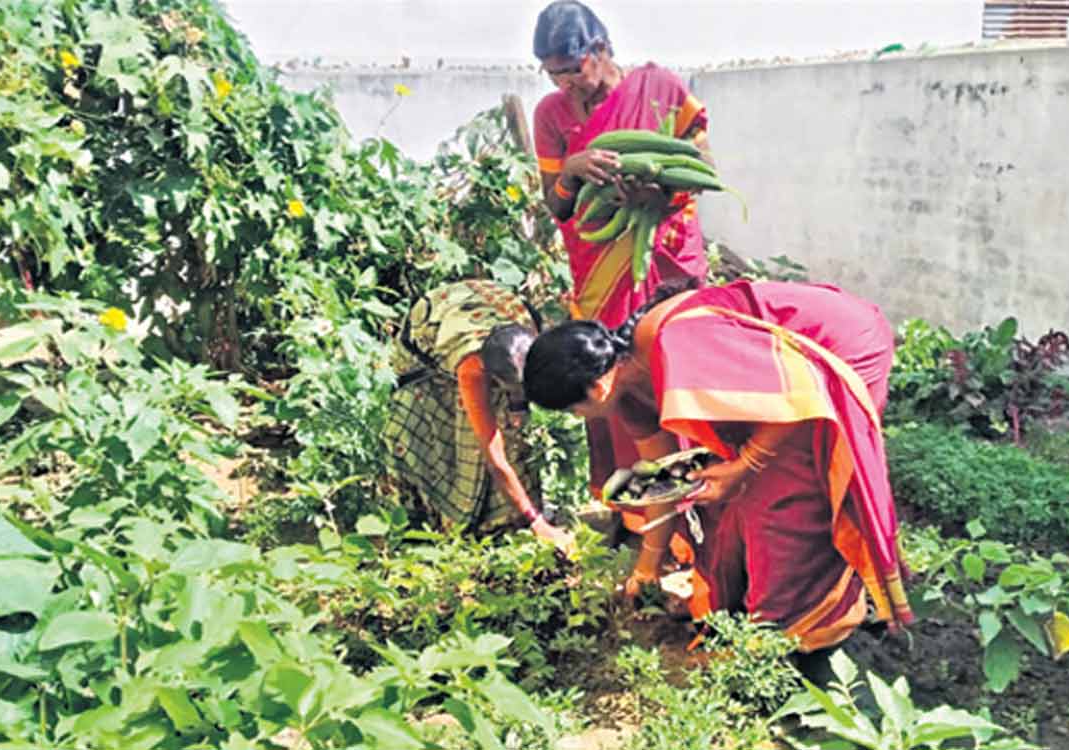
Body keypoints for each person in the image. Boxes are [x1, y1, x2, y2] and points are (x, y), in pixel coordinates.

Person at [523, 279, 915, 653]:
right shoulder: (625, 387)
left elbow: (799, 392)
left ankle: (797, 632)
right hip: (785, 383)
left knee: (788, 497)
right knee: (721, 496)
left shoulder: (675, 344)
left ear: (595, 389)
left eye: (575, 409)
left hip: (835, 348)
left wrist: (745, 465)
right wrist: (647, 568)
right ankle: (746, 608)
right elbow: (663, 476)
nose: (579, 417)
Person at [531, 0, 711, 498]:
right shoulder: (551, 115)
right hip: (599, 268)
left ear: (601, 49)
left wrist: (656, 196)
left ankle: (700, 494)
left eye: (571, 69)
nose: (564, 83)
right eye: (552, 74)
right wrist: (571, 170)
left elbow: (701, 170)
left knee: (679, 369)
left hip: (666, 256)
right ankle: (627, 504)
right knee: (603, 379)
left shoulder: (661, 92)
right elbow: (558, 208)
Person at [383, 279, 572, 550]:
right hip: (425, 368)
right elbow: (494, 457)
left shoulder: (531, 332)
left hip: (474, 313)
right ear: (488, 373)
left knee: (512, 427)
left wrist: (518, 406)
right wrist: (536, 522)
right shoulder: (471, 366)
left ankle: (506, 520)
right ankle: (455, 526)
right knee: (463, 441)